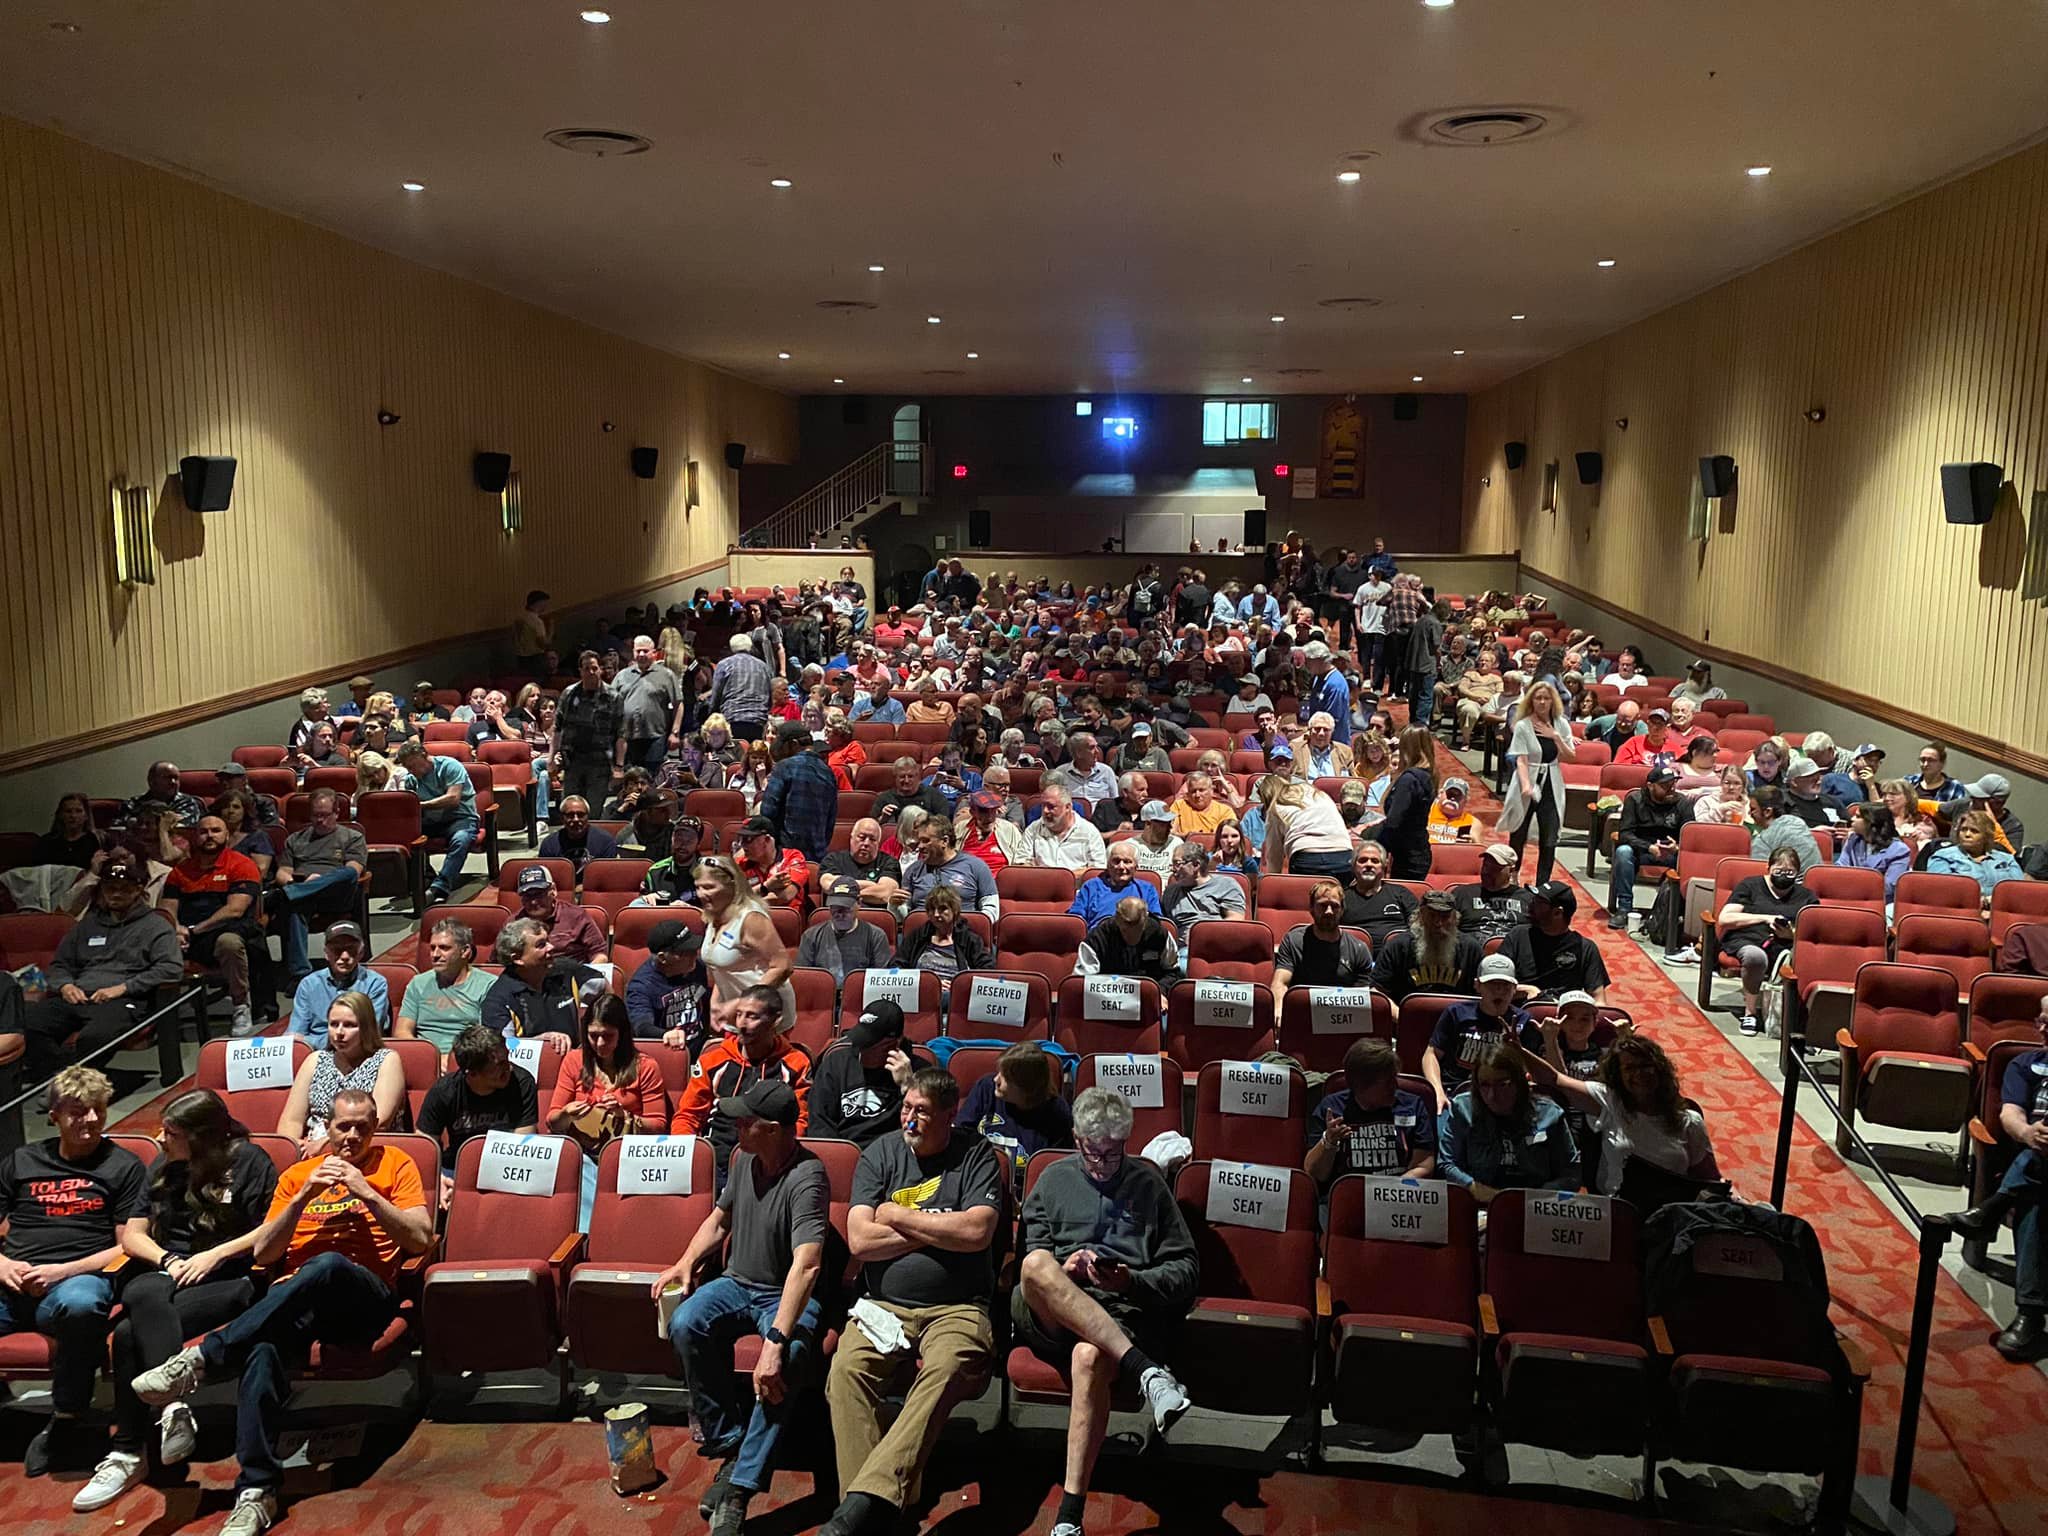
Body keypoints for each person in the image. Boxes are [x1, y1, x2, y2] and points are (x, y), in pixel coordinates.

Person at [129, 1087, 434, 1536]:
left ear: (375, 1128)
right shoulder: (298, 1175)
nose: (352, 1136)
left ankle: (202, 1358)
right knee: (262, 1351)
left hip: (362, 1296)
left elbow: (421, 1238)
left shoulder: (395, 1164)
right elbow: (266, 1254)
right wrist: (301, 1198)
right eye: (343, 1127)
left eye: (362, 1127)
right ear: (326, 1127)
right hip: (296, 1298)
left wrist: (366, 1191)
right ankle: (257, 1491)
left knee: (327, 1265)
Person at [74, 1089, 278, 1510]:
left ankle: (129, 1451)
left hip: (229, 1278)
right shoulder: (164, 1164)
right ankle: (174, 1408)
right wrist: (168, 1259)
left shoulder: (250, 1161)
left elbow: (271, 1229)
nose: (160, 1139)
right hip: (170, 1275)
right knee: (142, 1290)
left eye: (171, 1133)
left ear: (200, 1137)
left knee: (129, 1334)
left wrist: (214, 1255)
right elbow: (133, 1236)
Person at [822, 1068, 1003, 1536]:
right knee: (845, 1372)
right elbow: (861, 1241)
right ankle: (873, 1510)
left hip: (958, 1307)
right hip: (883, 1306)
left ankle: (860, 1512)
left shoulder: (976, 1154)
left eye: (921, 1111)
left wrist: (898, 1216)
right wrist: (939, 1230)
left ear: (949, 1114)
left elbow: (977, 1232)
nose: (909, 1119)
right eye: (906, 1108)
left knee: (946, 1368)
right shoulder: (880, 1153)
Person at [1013, 1088, 1195, 1536]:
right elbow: (1032, 1257)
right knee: (1037, 1265)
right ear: (1077, 1140)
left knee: (1089, 1356)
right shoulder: (1052, 1179)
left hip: (1119, 1311)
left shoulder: (1148, 1185)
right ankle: (1147, 1370)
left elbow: (1186, 1269)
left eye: (1113, 1154)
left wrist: (1131, 1280)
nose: (1102, 1165)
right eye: (1093, 1154)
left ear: (1126, 1144)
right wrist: (1067, 1269)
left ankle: (1069, 1517)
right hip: (1049, 1312)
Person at [654, 1078, 828, 1535]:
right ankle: (730, 1444)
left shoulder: (809, 1177)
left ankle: (739, 1489)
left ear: (772, 1129)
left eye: (745, 1121)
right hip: (737, 1283)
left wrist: (775, 1341)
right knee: (686, 1322)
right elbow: (720, 1220)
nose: (735, 1126)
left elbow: (807, 1265)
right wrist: (686, 1262)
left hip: (782, 1292)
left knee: (788, 1357)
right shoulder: (744, 1160)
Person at [0, 1066, 147, 1479]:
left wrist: (60, 1272)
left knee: (82, 1303)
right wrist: (4, 1265)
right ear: (54, 1116)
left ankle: (66, 1417)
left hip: (78, 1278)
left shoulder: (123, 1166)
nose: (91, 1119)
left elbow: (128, 1245)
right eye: (78, 1111)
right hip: (11, 1280)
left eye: (98, 1109)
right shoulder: (21, 1161)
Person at [19, 852, 183, 1080]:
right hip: (77, 996)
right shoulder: (86, 925)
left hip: (122, 1000)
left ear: (138, 890)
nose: (116, 894)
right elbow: (60, 965)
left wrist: (123, 988)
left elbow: (171, 968)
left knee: (95, 1036)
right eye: (110, 888)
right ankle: (65, 1074)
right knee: (25, 1024)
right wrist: (65, 986)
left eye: (124, 889)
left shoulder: (156, 926)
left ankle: (70, 1079)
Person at [1513, 1024, 1720, 1201]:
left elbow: (1709, 1179)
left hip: (1671, 1211)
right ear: (1618, 1075)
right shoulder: (1609, 1101)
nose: (1639, 1074)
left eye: (1645, 1066)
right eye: (1630, 1068)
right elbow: (1553, 1079)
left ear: (1659, 1069)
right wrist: (1519, 1050)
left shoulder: (1690, 1121)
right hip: (1619, 1208)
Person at [1949, 1003, 2048, 1361]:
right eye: (2041, 1021)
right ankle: (2030, 1312)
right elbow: (2010, 1114)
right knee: (2037, 1191)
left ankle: (1993, 1207)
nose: (2043, 1029)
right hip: (2038, 1154)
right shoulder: (2024, 1064)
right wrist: (2028, 1133)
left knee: (2035, 1175)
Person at [671, 985, 815, 1183]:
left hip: (770, 1165)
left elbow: (799, 1122)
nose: (742, 1024)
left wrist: (778, 1161)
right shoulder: (712, 1060)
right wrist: (687, 1157)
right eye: (739, 1014)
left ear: (776, 1021)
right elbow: (688, 1116)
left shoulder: (796, 1063)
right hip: (716, 1162)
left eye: (752, 1016)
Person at [549, 993, 669, 1225]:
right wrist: (566, 1114)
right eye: (593, 1036)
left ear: (622, 1033)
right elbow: (553, 1121)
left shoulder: (646, 1066)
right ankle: (587, 1234)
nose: (600, 1044)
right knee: (580, 1166)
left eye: (608, 1036)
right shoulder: (574, 1061)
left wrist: (625, 1117)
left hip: (628, 1153)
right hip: (585, 1153)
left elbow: (658, 1126)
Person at [160, 813, 264, 1038]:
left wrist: (194, 930)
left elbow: (235, 910)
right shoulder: (180, 871)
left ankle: (241, 1005)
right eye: (203, 831)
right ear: (195, 837)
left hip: (229, 929)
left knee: (229, 943)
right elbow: (167, 908)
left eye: (216, 831)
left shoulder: (242, 865)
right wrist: (176, 930)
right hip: (188, 934)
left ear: (227, 835)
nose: (209, 836)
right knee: (154, 942)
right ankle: (157, 1014)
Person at [1435, 1045, 1581, 1205]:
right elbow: (1446, 1164)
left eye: (1502, 1084)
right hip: (1479, 1201)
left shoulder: (1550, 1114)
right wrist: (1478, 1190)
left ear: (1521, 1083)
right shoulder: (1463, 1109)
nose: (1492, 1095)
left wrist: (1535, 1198)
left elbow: (1571, 1173)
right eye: (1484, 1085)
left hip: (1537, 1203)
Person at [415, 1024, 539, 1207]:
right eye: (499, 1065)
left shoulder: (522, 1083)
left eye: (507, 1059)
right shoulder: (444, 1091)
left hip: (505, 1166)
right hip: (457, 1166)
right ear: (472, 1073)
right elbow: (425, 1146)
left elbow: (523, 1143)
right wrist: (437, 1179)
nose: (509, 1068)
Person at [277, 991, 407, 1155]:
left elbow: (378, 1122)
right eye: (333, 1024)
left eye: (349, 1025)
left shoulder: (387, 1060)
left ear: (366, 1028)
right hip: (312, 1153)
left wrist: (324, 1145)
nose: (339, 1032)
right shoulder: (315, 1060)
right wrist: (298, 1147)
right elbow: (291, 1121)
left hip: (364, 1150)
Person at [1304, 1038, 1437, 1196]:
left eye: (1394, 1078)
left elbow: (1423, 1166)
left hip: (1399, 1195)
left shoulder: (1412, 1106)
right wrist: (1329, 1142)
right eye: (1387, 1082)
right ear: (1361, 1085)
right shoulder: (1333, 1110)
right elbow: (1315, 1173)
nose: (1395, 1086)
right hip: (1347, 1197)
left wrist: (1386, 1193)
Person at [1714, 846, 1817, 1035]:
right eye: (1778, 871)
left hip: (1786, 945)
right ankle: (1750, 1013)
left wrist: (1791, 934)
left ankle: (1800, 1021)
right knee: (1755, 957)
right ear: (1768, 869)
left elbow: (1814, 932)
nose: (1784, 876)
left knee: (1809, 960)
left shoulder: (1807, 896)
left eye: (1790, 872)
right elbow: (1725, 918)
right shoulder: (1750, 886)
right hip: (1747, 939)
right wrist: (1764, 918)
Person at [269, 789, 368, 983]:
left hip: (336, 895)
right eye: (315, 815)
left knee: (347, 873)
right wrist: (293, 883)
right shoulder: (295, 839)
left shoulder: (352, 837)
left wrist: (317, 881)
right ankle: (300, 974)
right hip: (303, 893)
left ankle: (294, 893)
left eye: (325, 815)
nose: (320, 820)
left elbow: (354, 871)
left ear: (336, 813)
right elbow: (282, 872)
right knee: (296, 907)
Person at [1420, 953, 1541, 1110]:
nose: (1499, 991)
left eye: (1505, 985)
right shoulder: (1456, 1013)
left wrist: (1519, 1051)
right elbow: (1431, 1054)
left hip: (1503, 1096)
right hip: (1456, 1094)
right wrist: (1438, 1091)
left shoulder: (1523, 1020)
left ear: (1514, 989)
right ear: (1477, 986)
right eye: (1492, 984)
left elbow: (1533, 1072)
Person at [696, 856, 797, 1028]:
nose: (701, 894)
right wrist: (716, 1004)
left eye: (709, 887)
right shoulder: (714, 915)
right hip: (735, 1015)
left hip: (765, 1019)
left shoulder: (751, 918)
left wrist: (741, 1004)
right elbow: (722, 967)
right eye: (698, 887)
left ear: (731, 886)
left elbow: (782, 967)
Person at [959, 1043, 1073, 1189]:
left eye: (1005, 1077)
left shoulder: (1057, 1114)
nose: (996, 1080)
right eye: (998, 1072)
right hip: (975, 1183)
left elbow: (1054, 1172)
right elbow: (960, 1138)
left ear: (1026, 1087)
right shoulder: (986, 1088)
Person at [811, 999, 922, 1147]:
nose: (861, 1050)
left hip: (893, 1154)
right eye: (859, 1041)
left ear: (896, 1042)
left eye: (869, 1044)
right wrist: (836, 1154)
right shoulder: (836, 1063)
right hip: (843, 1150)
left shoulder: (920, 1072)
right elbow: (819, 1123)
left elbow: (919, 1130)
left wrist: (907, 1087)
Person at [483, 916, 600, 1053]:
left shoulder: (566, 970)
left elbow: (604, 989)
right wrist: (538, 1043)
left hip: (575, 1058)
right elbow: (503, 1048)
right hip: (528, 1065)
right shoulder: (498, 999)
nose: (551, 947)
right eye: (541, 945)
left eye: (548, 941)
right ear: (518, 959)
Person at [1499, 683, 1577, 885]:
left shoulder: (1561, 723)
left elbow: (1571, 756)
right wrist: (1526, 786)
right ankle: (1513, 877)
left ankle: (1543, 883)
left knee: (1549, 837)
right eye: (1538, 698)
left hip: (1552, 780)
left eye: (1546, 698)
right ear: (1531, 701)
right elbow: (1521, 759)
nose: (1542, 702)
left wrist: (1556, 738)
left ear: (1553, 701)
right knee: (1518, 833)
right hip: (1527, 780)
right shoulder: (1523, 725)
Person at [395, 739, 480, 905]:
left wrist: (421, 805)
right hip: (431, 821)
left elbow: (453, 798)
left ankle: (439, 888)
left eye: (412, 765)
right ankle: (427, 876)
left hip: (460, 818)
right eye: (407, 767)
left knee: (461, 839)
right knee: (406, 836)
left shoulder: (449, 766)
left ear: (423, 755)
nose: (410, 770)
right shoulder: (412, 779)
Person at [393, 918, 496, 1051]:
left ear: (465, 951)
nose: (435, 955)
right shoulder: (418, 983)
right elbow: (402, 1032)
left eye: (444, 948)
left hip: (465, 1055)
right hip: (425, 1054)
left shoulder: (487, 985)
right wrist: (429, 1056)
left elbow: (486, 1038)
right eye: (432, 948)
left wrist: (450, 1058)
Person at [1271, 880, 1374, 1012]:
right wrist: (1278, 1011)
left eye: (1335, 906)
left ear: (1342, 910)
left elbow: (1362, 1000)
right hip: (1301, 1012)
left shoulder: (1358, 949)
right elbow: (1280, 983)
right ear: (1311, 909)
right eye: (1322, 905)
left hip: (1341, 1015)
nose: (1329, 911)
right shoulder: (1293, 941)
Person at [1500, 882, 1611, 1003]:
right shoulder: (1518, 935)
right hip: (1520, 1009)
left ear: (1557, 913)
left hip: (1563, 1011)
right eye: (1533, 899)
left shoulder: (1585, 948)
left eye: (1539, 902)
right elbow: (1495, 985)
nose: (1530, 904)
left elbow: (1598, 999)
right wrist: (1527, 990)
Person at [1609, 764, 1687, 933]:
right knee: (1623, 852)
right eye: (1665, 785)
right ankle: (1624, 908)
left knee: (1688, 860)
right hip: (1642, 849)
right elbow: (1625, 834)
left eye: (1673, 784)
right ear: (1651, 786)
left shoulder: (1682, 802)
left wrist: (1677, 847)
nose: (1671, 789)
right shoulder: (1635, 800)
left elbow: (1690, 836)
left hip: (1671, 851)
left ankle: (1670, 912)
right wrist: (1649, 847)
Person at [284, 921, 387, 1046]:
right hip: (313, 1054)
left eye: (351, 949)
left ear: (361, 953)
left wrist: (309, 1041)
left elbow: (368, 1035)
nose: (345, 956)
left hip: (358, 1054)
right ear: (326, 953)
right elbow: (295, 1036)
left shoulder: (375, 984)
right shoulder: (309, 985)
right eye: (337, 950)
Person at [1371, 890, 1481, 1002]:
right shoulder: (1398, 946)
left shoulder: (1471, 949)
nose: (1438, 923)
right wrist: (1399, 1013)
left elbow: (1483, 993)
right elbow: (1377, 991)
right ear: (1420, 916)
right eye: (1432, 916)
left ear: (1455, 919)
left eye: (1444, 917)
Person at [763, 721, 841, 863]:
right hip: (817, 857)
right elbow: (830, 821)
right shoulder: (828, 773)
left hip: (785, 856)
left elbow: (767, 812)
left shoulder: (784, 767)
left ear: (793, 744)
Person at [612, 633, 688, 775]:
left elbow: (678, 705)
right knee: (631, 776)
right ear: (633, 652)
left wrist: (675, 733)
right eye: (638, 650)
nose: (641, 654)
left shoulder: (666, 675)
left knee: (652, 776)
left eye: (645, 651)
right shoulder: (622, 676)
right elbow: (611, 704)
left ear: (653, 653)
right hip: (627, 737)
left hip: (655, 736)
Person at [1256, 772, 1353, 878]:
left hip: (1306, 859)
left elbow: (1274, 855)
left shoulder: (1275, 809)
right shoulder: (1318, 795)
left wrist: (1273, 879)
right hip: (1344, 856)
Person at [799, 879, 896, 982]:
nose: (840, 914)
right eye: (835, 907)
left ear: (859, 903)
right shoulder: (811, 936)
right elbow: (803, 979)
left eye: (846, 908)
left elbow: (880, 981)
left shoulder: (876, 936)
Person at [1375, 727, 1438, 880]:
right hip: (1418, 850)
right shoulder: (1430, 775)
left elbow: (1394, 821)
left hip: (1407, 856)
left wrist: (1375, 846)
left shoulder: (1409, 780)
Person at [514, 864, 610, 966]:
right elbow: (503, 961)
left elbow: (600, 955)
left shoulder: (576, 916)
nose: (533, 902)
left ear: (553, 890)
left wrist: (585, 973)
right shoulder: (514, 923)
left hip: (572, 972)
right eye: (527, 896)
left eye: (539, 894)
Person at [1929, 809, 2026, 906]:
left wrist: (1993, 901)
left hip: (2001, 909)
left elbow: (2019, 890)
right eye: (1963, 830)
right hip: (1961, 910)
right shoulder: (1943, 857)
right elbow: (1943, 891)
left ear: (1986, 836)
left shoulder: (2007, 860)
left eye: (1974, 831)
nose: (1967, 834)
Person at [1076, 895, 1182, 984]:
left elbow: (1172, 972)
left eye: (1138, 930)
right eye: (1125, 930)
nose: (1131, 936)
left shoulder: (1159, 935)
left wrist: (1161, 992)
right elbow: (1083, 980)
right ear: (1117, 919)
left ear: (1146, 918)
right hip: (1107, 995)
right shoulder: (1098, 938)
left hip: (1147, 994)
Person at [1445, 843, 1532, 945]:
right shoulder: (1462, 894)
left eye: (1494, 868)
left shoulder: (1527, 898)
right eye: (1485, 866)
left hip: (1514, 950)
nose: (1486, 872)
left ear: (1511, 870)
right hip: (1474, 951)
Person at [707, 632, 775, 745]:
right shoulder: (763, 666)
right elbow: (770, 697)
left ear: (731, 647)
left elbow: (715, 696)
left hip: (732, 718)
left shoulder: (724, 665)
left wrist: (711, 715)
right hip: (758, 720)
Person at [1836, 802, 1913, 901]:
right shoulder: (1853, 839)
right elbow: (1840, 868)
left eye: (1858, 817)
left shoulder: (1899, 850)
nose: (1852, 819)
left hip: (1882, 901)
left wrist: (1853, 886)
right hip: (1850, 896)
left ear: (1871, 822)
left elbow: (1889, 886)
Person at [822, 818, 905, 909]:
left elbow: (886, 894)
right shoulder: (833, 859)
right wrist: (872, 886)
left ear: (878, 843)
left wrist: (846, 892)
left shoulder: (889, 862)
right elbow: (828, 884)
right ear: (851, 838)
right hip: (840, 913)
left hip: (874, 914)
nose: (866, 843)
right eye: (862, 837)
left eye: (872, 839)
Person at [1023, 785, 1109, 870]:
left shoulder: (1089, 832)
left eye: (1051, 806)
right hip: (1040, 879)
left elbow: (1097, 869)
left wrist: (1066, 876)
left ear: (1068, 807)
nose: (1045, 811)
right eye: (1043, 806)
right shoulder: (1033, 830)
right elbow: (1022, 864)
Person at [1162, 842, 1247, 928]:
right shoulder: (1171, 892)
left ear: (1196, 865)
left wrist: (1202, 932)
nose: (1172, 869)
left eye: (1177, 864)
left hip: (1216, 934)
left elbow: (1235, 921)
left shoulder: (1226, 886)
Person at [1749, 785, 1821, 873]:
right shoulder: (1798, 822)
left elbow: (1759, 875)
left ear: (1767, 812)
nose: (1749, 813)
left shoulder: (1762, 840)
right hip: (1816, 880)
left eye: (1753, 809)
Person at [538, 796, 620, 871]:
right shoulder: (549, 844)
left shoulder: (605, 842)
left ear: (588, 817)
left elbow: (607, 875)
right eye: (570, 815)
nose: (576, 819)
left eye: (581, 815)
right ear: (562, 818)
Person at [514, 588, 556, 674]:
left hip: (520, 658)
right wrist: (551, 629)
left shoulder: (520, 617)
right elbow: (543, 644)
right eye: (545, 603)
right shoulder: (537, 622)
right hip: (535, 659)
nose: (546, 606)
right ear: (539, 603)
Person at [1425, 777, 1478, 843]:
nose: (1452, 798)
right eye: (1450, 794)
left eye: (1458, 796)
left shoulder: (1473, 823)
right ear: (1440, 794)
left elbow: (1479, 848)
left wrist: (1473, 842)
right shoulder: (1424, 811)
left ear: (1465, 801)